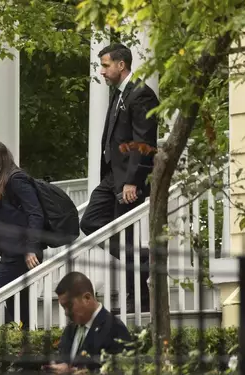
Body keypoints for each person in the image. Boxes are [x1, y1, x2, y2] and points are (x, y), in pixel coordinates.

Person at [80, 43, 158, 313]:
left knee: (125, 238)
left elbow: (143, 142)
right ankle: (142, 260)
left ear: (121, 65)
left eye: (105, 65)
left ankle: (138, 299)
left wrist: (133, 181)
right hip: (113, 175)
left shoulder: (141, 95)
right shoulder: (119, 94)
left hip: (128, 179)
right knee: (91, 222)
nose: (101, 71)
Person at [0, 139, 45, 329]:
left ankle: (2, 339)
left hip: (21, 256)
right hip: (13, 255)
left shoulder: (16, 179)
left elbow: (35, 213)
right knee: (21, 311)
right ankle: (25, 348)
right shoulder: (5, 182)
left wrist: (31, 248)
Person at [43, 272, 131, 375]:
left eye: (69, 305)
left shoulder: (115, 329)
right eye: (63, 307)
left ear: (87, 298)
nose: (66, 313)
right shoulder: (70, 329)